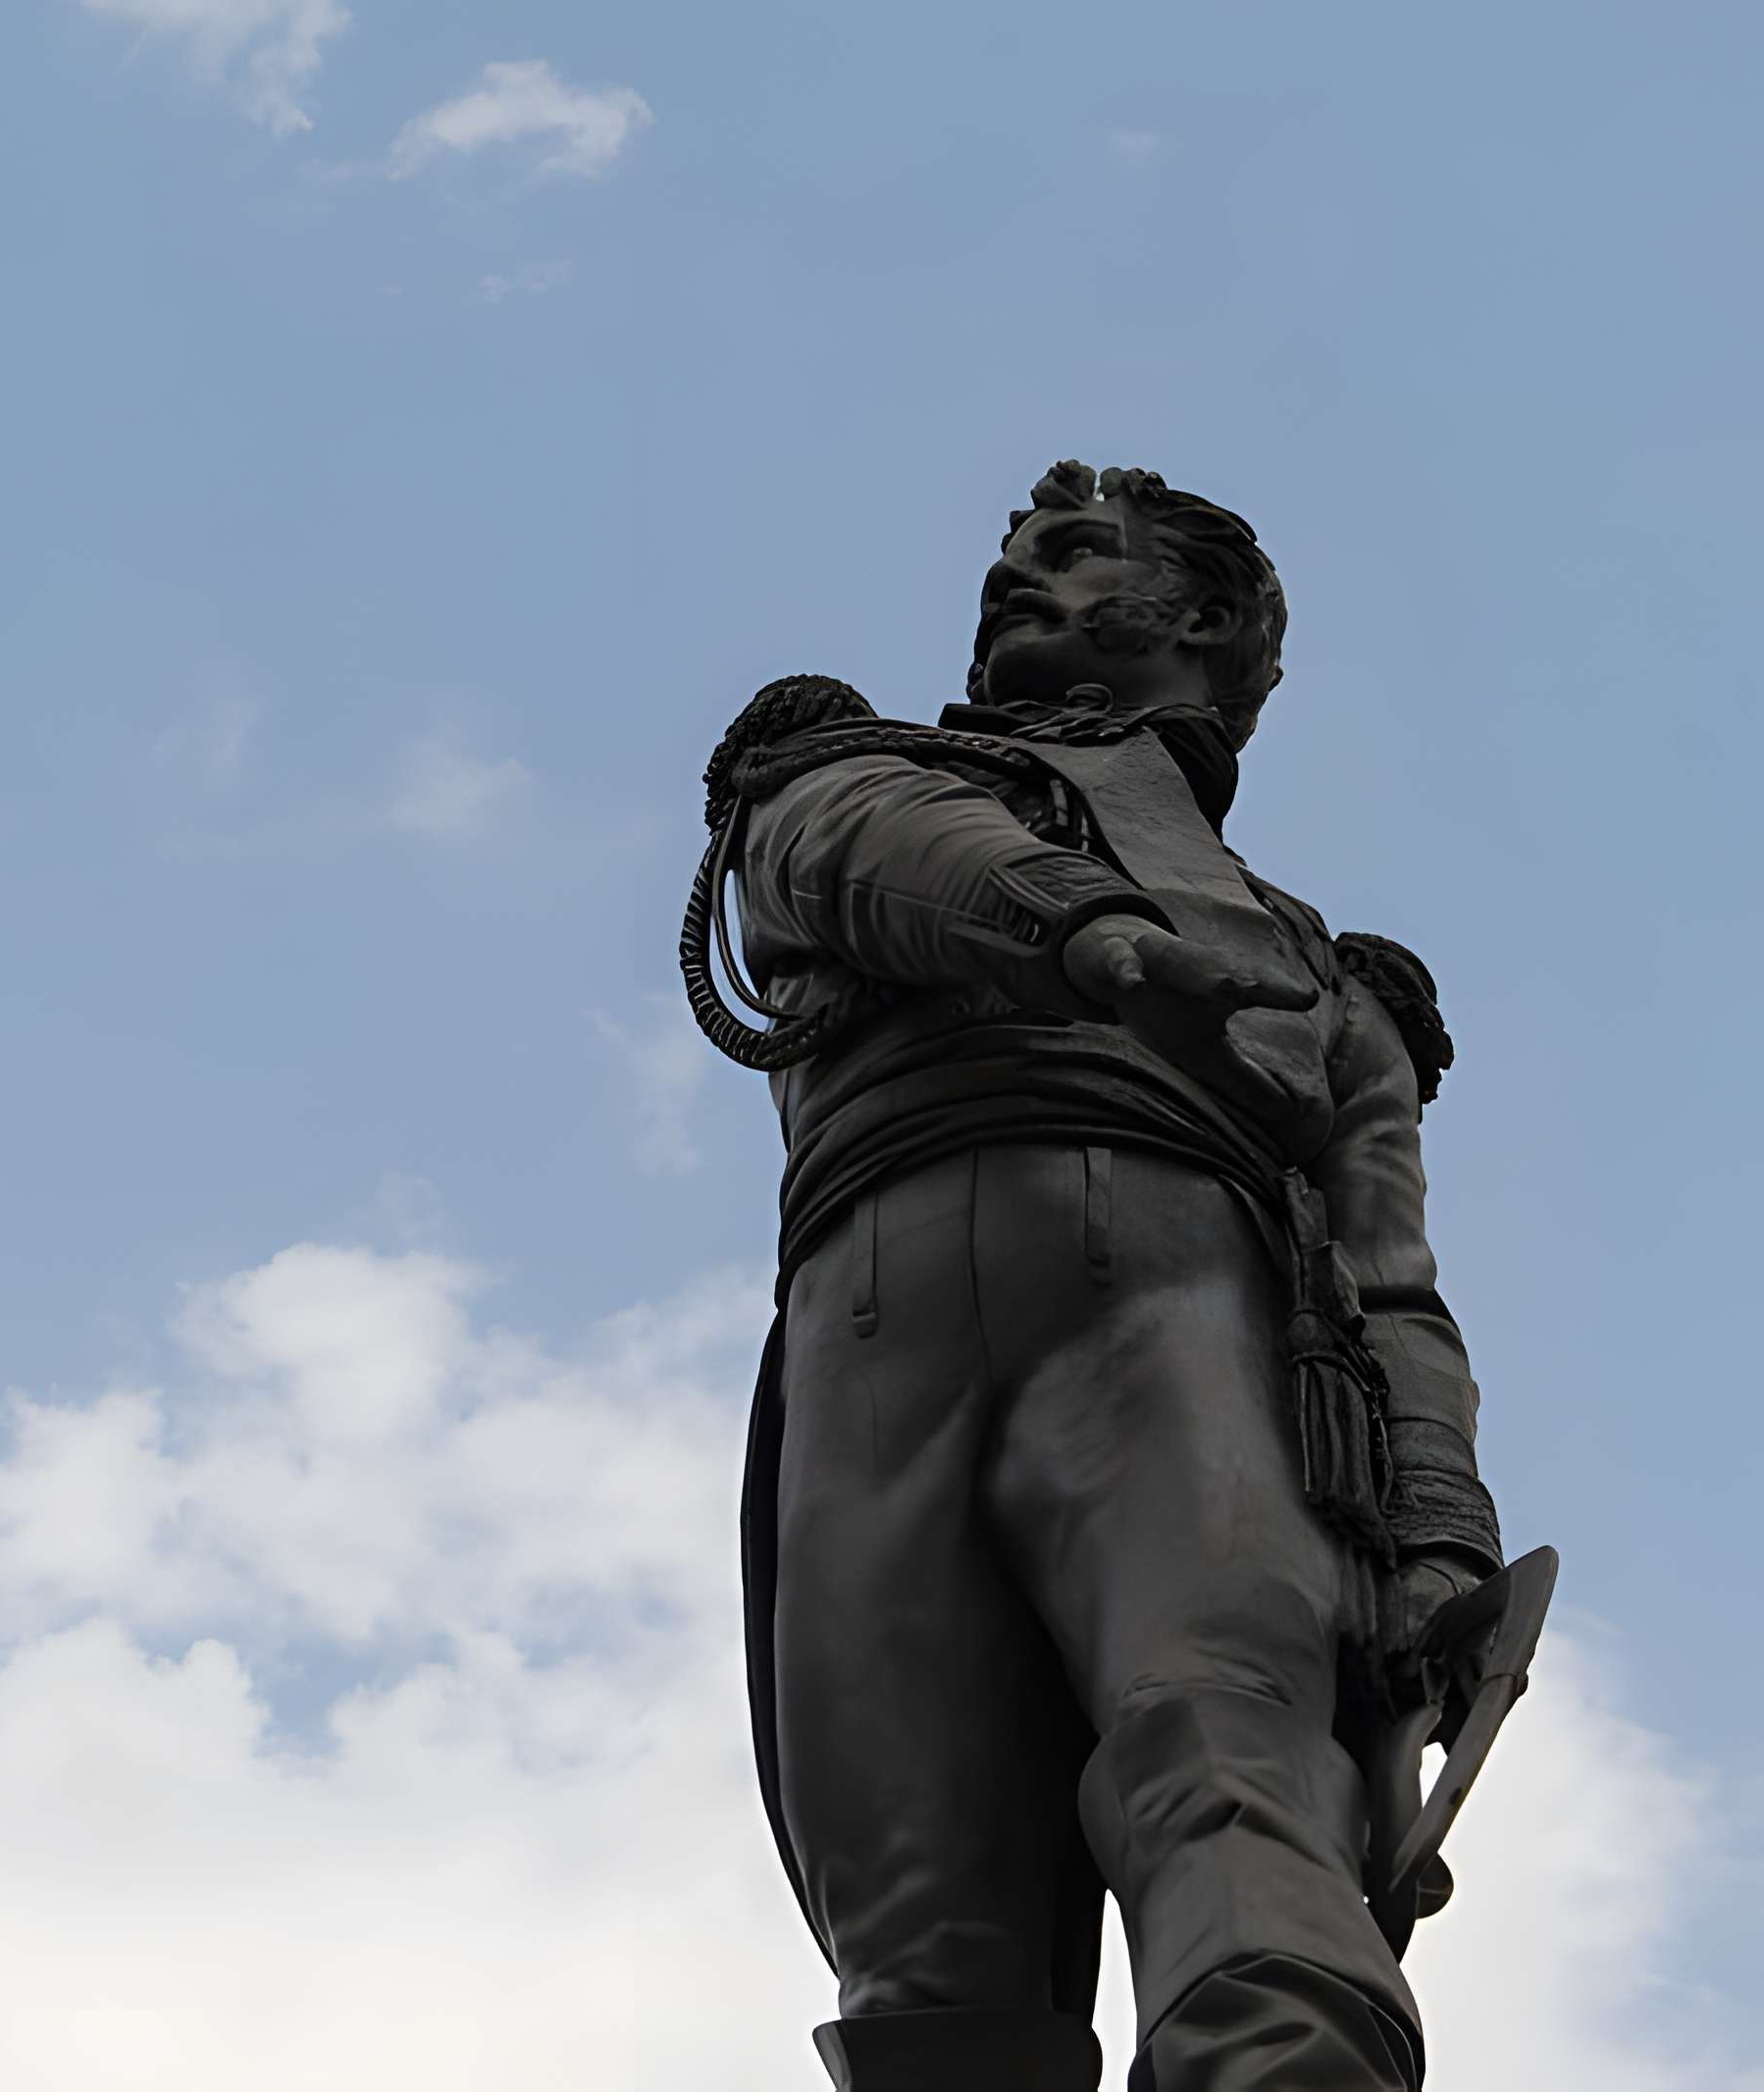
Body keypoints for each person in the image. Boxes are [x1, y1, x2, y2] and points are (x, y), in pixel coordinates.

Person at [717, 463, 1502, 2090]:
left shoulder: (1331, 979)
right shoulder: (844, 773)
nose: (1014, 581)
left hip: (1184, 1297)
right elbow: (864, 849)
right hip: (867, 1322)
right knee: (913, 1905)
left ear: (1203, 621)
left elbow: (1391, 1283)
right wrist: (1095, 935)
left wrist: (1439, 1534)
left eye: (1075, 553)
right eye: (1017, 557)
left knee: (1222, 1735)